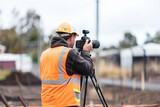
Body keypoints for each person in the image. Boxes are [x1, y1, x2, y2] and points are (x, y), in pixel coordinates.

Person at [40, 22, 94, 107]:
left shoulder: (44, 54)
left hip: (47, 104)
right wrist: (86, 53)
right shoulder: (69, 53)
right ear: (71, 37)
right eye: (75, 38)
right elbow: (89, 69)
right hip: (66, 103)